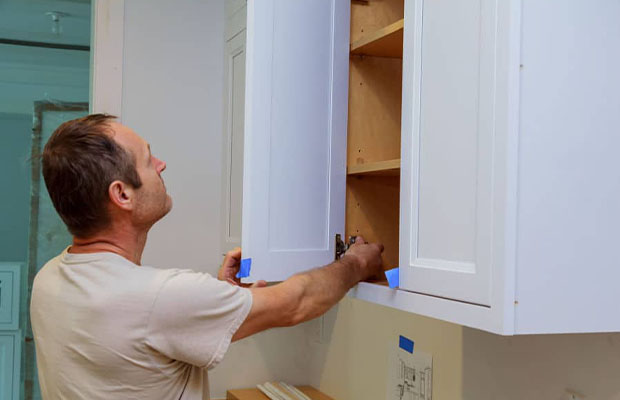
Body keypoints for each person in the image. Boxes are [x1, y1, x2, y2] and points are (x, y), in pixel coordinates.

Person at [30, 114, 384, 399]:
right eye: (148, 160)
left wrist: (217, 297)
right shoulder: (159, 298)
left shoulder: (49, 278)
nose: (162, 164)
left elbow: (143, 338)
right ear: (122, 194)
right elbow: (297, 303)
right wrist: (355, 261)